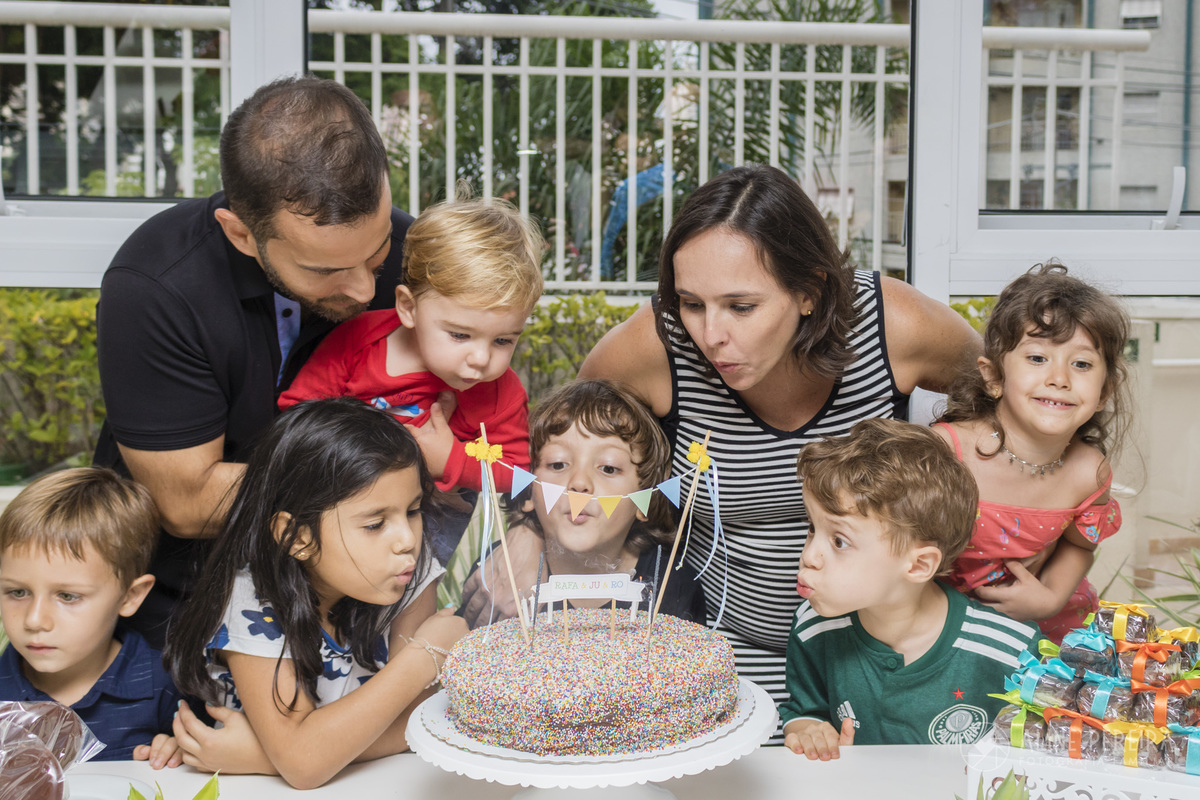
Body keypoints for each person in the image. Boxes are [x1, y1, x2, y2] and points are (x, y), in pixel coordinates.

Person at [464, 164, 981, 716]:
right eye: (691, 303)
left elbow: (1010, 403)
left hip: (887, 654)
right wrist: (525, 531)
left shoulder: (893, 326)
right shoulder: (658, 346)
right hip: (731, 651)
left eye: (741, 306)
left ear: (810, 291)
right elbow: (567, 442)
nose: (711, 335)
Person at [94, 75, 415, 649]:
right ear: (242, 234)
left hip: (352, 595)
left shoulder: (410, 250)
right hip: (180, 597)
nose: (367, 289)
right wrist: (377, 492)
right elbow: (189, 503)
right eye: (325, 271)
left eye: (377, 252)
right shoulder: (154, 286)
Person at [163, 399, 467, 789]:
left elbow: (422, 718)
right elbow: (305, 766)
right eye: (375, 524)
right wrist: (426, 654)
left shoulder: (407, 571)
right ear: (299, 537)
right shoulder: (253, 601)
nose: (407, 540)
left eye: (412, 511)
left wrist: (269, 757)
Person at [279, 195, 544, 563]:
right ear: (408, 307)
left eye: (503, 340)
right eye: (460, 335)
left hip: (428, 544)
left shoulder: (500, 392)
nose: (481, 359)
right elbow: (296, 416)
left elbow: (517, 472)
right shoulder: (358, 342)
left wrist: (452, 459)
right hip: (337, 525)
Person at [781, 418, 1042, 759]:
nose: (809, 556)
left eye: (839, 541)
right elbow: (804, 712)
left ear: (919, 565)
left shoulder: (1014, 652)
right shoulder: (813, 626)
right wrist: (806, 730)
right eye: (811, 528)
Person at [933, 262, 1129, 643]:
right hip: (945, 634)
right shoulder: (945, 453)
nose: (1059, 378)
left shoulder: (1089, 473)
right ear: (994, 377)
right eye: (1038, 358)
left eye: (1082, 364)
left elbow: (1078, 545)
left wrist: (1050, 598)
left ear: (1104, 392)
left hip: (1048, 631)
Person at [0, 468, 182, 766]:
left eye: (68, 596)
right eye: (18, 592)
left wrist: (182, 755)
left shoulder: (168, 686)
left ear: (130, 596)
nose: (34, 620)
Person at [503, 380, 705, 622]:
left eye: (608, 468)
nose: (579, 483)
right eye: (558, 464)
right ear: (528, 493)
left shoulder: (673, 587)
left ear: (645, 498)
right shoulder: (502, 575)